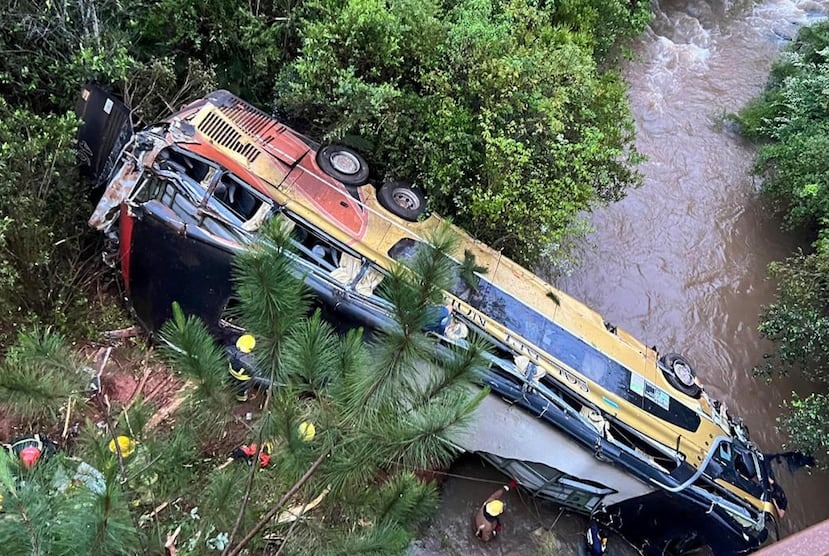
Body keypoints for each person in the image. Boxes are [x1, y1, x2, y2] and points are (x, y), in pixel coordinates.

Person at [228, 334, 256, 402]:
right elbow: (253, 371)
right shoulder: (249, 361)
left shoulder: (232, 351)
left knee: (233, 382)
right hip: (243, 378)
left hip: (232, 372)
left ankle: (231, 387)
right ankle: (241, 399)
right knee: (241, 389)